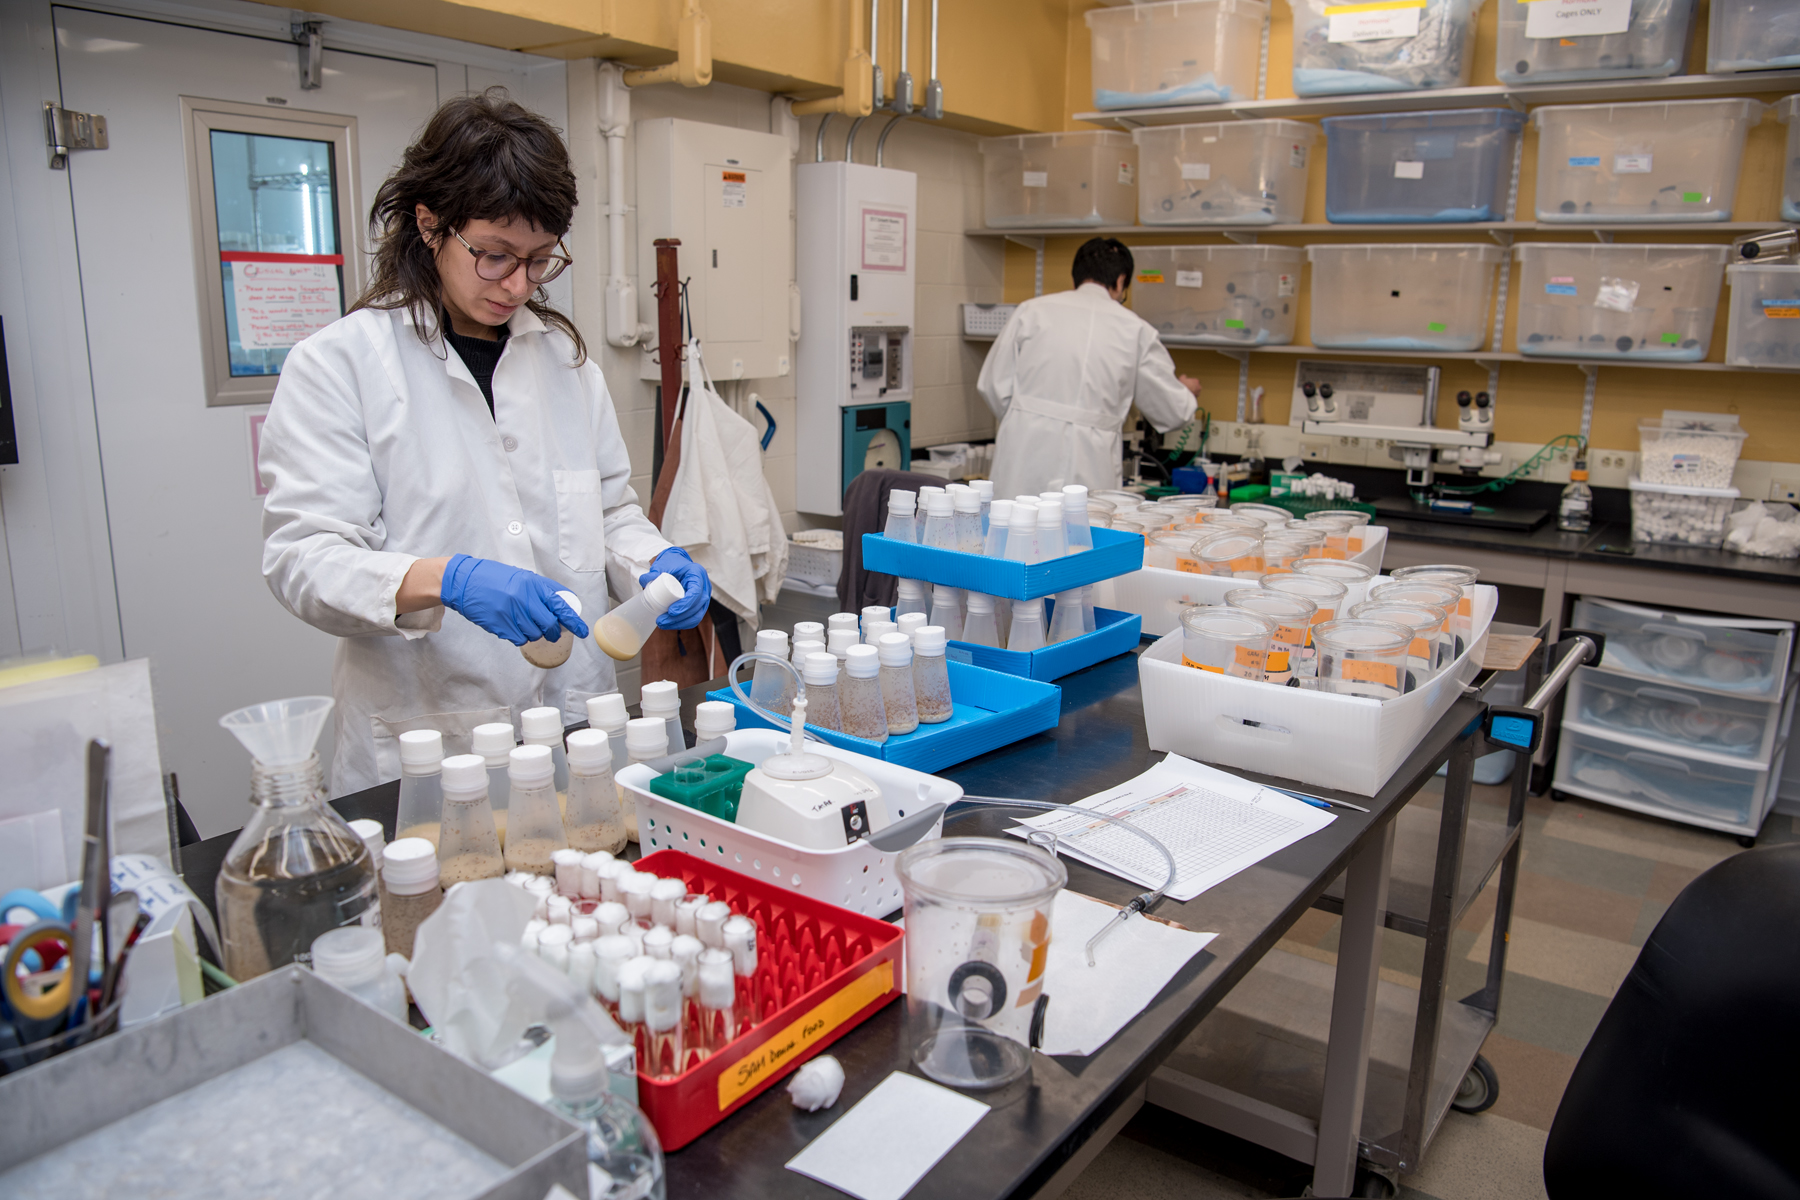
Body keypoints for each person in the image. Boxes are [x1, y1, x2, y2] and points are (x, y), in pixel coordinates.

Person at [259, 89, 710, 792]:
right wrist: (446, 580)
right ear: (429, 223)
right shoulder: (339, 363)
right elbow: (304, 560)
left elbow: (607, 510)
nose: (518, 285)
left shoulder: (564, 364)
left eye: (539, 261)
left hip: (572, 725)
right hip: (428, 739)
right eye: (495, 255)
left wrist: (655, 561)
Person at [977, 238, 1201, 500]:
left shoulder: (1031, 311)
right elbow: (1173, 411)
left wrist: (1028, 420)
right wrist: (1186, 392)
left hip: (1022, 458)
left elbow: (992, 386)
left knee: (1014, 532)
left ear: (1076, 279)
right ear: (1120, 281)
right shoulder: (1135, 330)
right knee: (1084, 536)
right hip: (1091, 464)